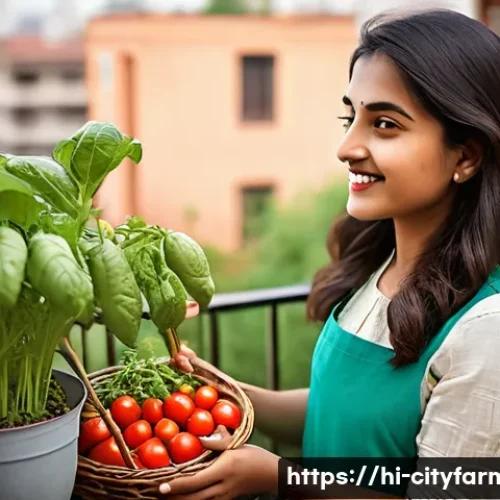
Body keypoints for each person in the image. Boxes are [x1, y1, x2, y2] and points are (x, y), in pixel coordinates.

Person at [158, 8, 500, 499]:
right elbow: (340, 411)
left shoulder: (487, 328)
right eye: (350, 118)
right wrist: (225, 392)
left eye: (384, 124)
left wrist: (279, 478)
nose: (346, 147)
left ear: (465, 156)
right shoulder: (380, 266)